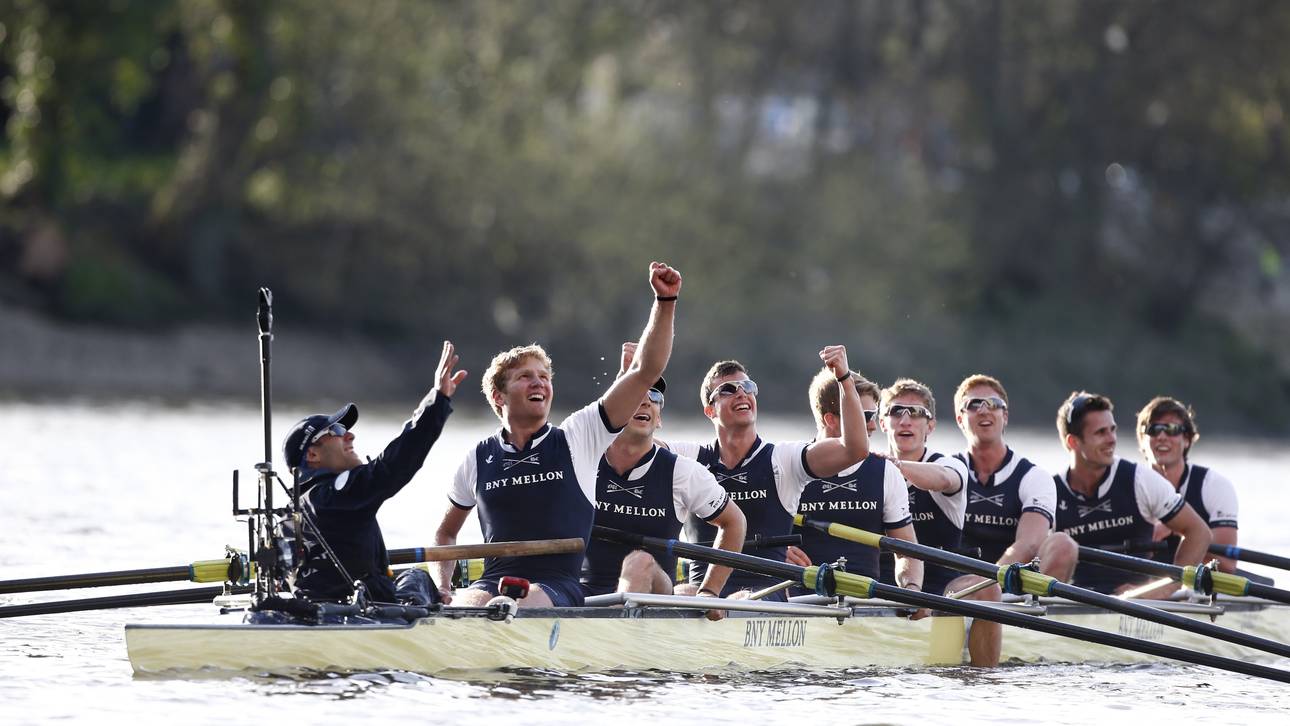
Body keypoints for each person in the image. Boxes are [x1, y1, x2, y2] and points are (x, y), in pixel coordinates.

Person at [432, 262, 682, 608]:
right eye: (525, 377)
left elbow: (646, 370)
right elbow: (445, 534)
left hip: (556, 587)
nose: (539, 383)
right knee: (469, 605)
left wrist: (664, 302)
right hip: (492, 582)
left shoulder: (579, 436)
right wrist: (443, 586)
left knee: (511, 606)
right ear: (498, 397)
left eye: (544, 377)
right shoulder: (478, 457)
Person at [668, 346, 869, 601]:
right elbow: (635, 445)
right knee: (663, 581)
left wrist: (844, 380)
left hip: (762, 598)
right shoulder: (690, 457)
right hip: (701, 597)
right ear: (710, 410)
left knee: (736, 600)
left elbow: (855, 450)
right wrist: (633, 376)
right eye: (728, 390)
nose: (741, 393)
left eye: (748, 387)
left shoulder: (784, 459)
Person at [281, 340, 467, 605]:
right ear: (312, 455)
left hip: (317, 605)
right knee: (418, 578)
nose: (350, 435)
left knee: (404, 579)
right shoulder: (336, 494)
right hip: (358, 612)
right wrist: (437, 402)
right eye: (336, 432)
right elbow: (395, 464)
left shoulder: (291, 512)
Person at [580, 359, 747, 619]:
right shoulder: (582, 460)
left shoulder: (682, 471)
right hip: (582, 591)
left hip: (655, 592)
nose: (646, 400)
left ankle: (613, 632)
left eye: (654, 396)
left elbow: (735, 522)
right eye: (636, 393)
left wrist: (710, 592)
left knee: (639, 562)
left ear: (659, 419)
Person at [952, 373, 1077, 667]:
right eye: (974, 405)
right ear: (960, 419)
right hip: (956, 585)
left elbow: (1030, 542)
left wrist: (988, 586)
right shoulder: (947, 469)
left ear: (1005, 416)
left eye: (993, 404)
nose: (984, 410)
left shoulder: (1033, 476)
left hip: (1011, 587)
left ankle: (1026, 633)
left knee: (1062, 545)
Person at [1054, 391, 1212, 595]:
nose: (1112, 439)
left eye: (1113, 430)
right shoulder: (1050, 491)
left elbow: (1199, 532)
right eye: (1101, 433)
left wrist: (1167, 587)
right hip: (1069, 601)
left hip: (1134, 602)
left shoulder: (1139, 480)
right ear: (1073, 442)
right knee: (1058, 544)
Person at [794, 370, 920, 594]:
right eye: (866, 416)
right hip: (798, 605)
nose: (873, 426)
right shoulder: (789, 464)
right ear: (830, 420)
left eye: (875, 415)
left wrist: (912, 586)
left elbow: (907, 552)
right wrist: (778, 552)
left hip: (862, 606)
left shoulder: (885, 472)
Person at [876, 378, 969, 600]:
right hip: (878, 593)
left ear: (930, 425)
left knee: (983, 586)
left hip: (943, 596)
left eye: (916, 412)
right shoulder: (869, 468)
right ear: (882, 422)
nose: (905, 420)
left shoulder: (951, 465)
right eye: (896, 411)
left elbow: (945, 479)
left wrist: (896, 466)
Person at [1136, 397, 1238, 573]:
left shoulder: (1214, 486)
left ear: (1187, 440)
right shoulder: (1127, 483)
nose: (1161, 437)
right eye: (1153, 430)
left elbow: (1226, 565)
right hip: (1137, 585)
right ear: (1142, 441)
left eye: (1171, 430)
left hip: (1193, 590)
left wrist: (1182, 528)